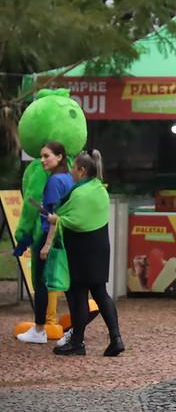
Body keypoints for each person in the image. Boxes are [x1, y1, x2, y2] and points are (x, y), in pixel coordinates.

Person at [49, 150, 125, 356]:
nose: (71, 172)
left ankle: (77, 342)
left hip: (80, 249)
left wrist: (57, 220)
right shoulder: (100, 189)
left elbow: (72, 219)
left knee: (78, 294)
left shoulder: (78, 193)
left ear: (82, 171)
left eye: (74, 168)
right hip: (100, 247)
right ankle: (116, 338)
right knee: (100, 292)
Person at [16, 142, 74, 344]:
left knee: (40, 282)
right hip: (67, 236)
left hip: (46, 235)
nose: (42, 160)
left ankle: (39, 329)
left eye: (46, 156)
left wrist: (46, 244)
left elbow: (52, 216)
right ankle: (74, 331)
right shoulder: (69, 178)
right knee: (68, 282)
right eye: (41, 156)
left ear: (59, 157)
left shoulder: (53, 182)